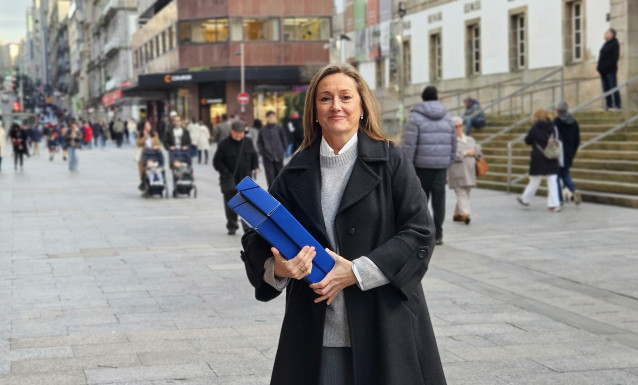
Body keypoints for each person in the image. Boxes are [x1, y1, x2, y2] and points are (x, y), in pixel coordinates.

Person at [240, 64, 446, 385]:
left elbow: (420, 232)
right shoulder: (297, 169)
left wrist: (356, 272)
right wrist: (280, 267)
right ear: (314, 111)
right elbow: (257, 237)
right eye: (325, 98)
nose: (336, 106)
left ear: (361, 107)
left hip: (386, 329)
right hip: (316, 332)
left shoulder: (391, 160)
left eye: (346, 97)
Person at [401, 85, 456, 245]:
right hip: (441, 167)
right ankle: (439, 233)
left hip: (421, 166)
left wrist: (407, 166)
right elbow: (453, 142)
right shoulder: (447, 117)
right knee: (439, 200)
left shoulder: (416, 117)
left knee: (420, 200)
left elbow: (410, 145)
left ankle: (424, 233)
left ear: (423, 98)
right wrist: (448, 161)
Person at [213, 120, 259, 235]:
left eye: (240, 133)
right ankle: (232, 225)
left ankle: (247, 226)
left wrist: (256, 166)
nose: (238, 135)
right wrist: (225, 172)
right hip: (230, 179)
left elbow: (254, 155)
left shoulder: (248, 142)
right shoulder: (223, 144)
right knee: (231, 203)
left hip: (245, 179)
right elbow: (216, 161)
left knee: (247, 204)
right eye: (236, 133)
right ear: (231, 131)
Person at [517, 108, 561, 212]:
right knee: (552, 180)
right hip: (551, 155)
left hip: (538, 156)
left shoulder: (535, 128)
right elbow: (559, 139)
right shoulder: (554, 127)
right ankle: (554, 204)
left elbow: (527, 140)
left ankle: (525, 199)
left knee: (535, 180)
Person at [447, 116, 482, 224]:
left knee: (465, 194)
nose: (458, 128)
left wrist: (475, 153)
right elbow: (451, 155)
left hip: (470, 171)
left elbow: (478, 151)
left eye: (460, 126)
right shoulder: (450, 141)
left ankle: (458, 214)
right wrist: (465, 153)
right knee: (461, 193)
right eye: (455, 126)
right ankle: (466, 214)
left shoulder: (470, 139)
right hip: (456, 172)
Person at [554, 101, 582, 205]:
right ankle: (574, 189)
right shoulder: (574, 121)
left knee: (556, 175)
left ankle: (559, 199)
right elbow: (577, 139)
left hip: (559, 152)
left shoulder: (556, 122)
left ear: (558, 110)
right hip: (570, 151)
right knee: (565, 173)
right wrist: (573, 151)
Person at [257, 110, 287, 189]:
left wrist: (282, 150)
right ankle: (271, 193)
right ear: (266, 118)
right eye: (269, 117)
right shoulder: (262, 130)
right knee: (270, 177)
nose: (271, 118)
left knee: (280, 176)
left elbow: (284, 139)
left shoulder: (279, 128)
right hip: (267, 157)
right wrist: (262, 152)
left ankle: (280, 193)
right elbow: (259, 143)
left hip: (278, 156)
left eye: (273, 117)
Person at [597, 28, 621, 110]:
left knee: (613, 87)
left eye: (607, 33)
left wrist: (607, 67)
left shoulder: (614, 44)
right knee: (606, 88)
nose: (605, 34)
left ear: (611, 34)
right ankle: (608, 105)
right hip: (603, 71)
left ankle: (617, 105)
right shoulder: (605, 44)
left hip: (610, 70)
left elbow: (614, 58)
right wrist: (599, 68)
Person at [136, 120, 160, 190]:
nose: (147, 127)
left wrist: (157, 146)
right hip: (144, 155)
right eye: (146, 126)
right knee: (144, 170)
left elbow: (158, 144)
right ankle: (144, 183)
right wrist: (145, 137)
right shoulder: (140, 135)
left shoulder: (155, 134)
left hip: (153, 154)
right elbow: (139, 144)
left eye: (148, 126)